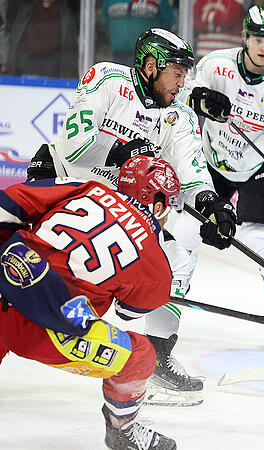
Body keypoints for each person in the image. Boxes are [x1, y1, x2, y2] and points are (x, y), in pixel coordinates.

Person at [25, 28, 236, 406]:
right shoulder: (106, 79)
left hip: (112, 209)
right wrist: (122, 152)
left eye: (186, 75)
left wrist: (212, 205)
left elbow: (192, 176)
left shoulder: (180, 117)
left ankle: (156, 357)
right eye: (177, 73)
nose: (183, 83)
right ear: (151, 67)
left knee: (183, 244)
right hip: (63, 189)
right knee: (21, 269)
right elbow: (74, 147)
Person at [0, 156, 181, 450]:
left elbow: (8, 203)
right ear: (158, 205)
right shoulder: (156, 259)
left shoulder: (87, 187)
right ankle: (122, 431)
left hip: (4, 283)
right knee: (141, 355)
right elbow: (128, 311)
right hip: (46, 331)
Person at [176, 5, 264, 347]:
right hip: (213, 159)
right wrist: (198, 98)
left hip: (260, 166)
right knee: (186, 229)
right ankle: (172, 290)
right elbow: (179, 90)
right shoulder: (216, 65)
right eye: (257, 39)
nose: (263, 46)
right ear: (245, 38)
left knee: (259, 241)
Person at [6, 0, 77, 78]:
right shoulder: (25, 10)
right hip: (25, 63)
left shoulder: (66, 14)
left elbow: (71, 46)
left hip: (54, 65)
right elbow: (14, 39)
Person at [100, 0, 177, 65]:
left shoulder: (160, 1)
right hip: (118, 54)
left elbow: (169, 24)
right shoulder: (109, 1)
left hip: (148, 55)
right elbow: (104, 22)